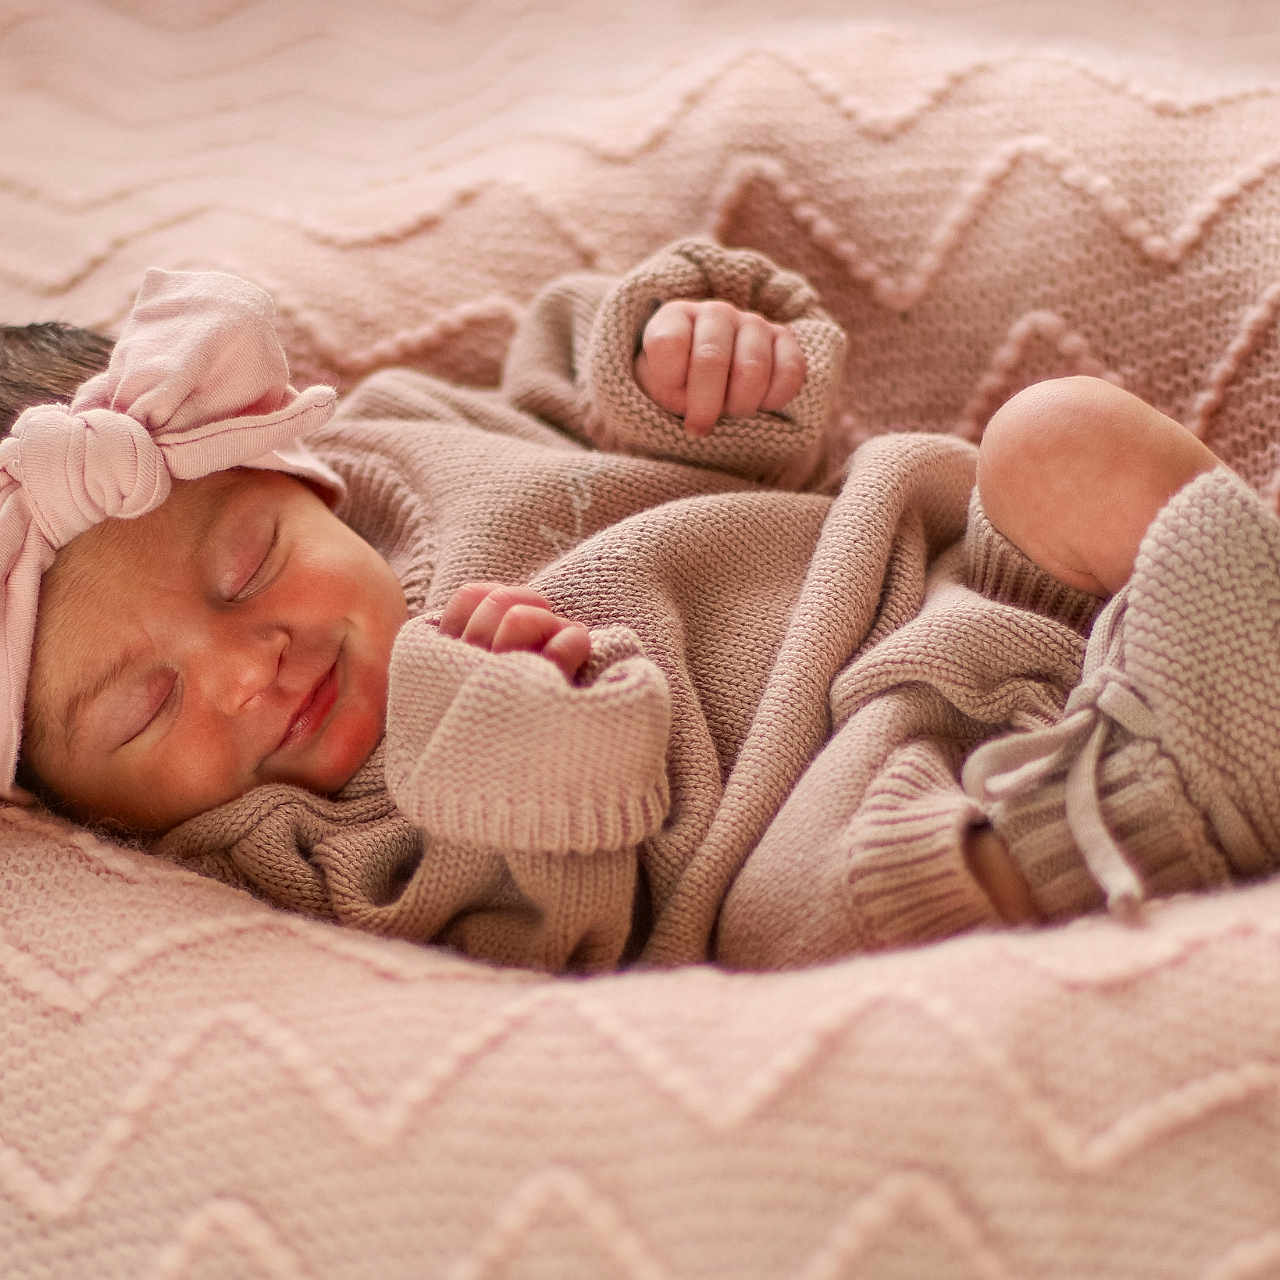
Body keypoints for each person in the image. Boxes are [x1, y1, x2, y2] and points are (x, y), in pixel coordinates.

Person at [2, 239, 1277, 972]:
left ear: (287, 468)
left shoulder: (400, 444)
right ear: (75, 802)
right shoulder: (283, 856)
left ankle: (1231, 642)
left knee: (1056, 439)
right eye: (147, 703)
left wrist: (683, 367)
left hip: (945, 583)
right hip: (841, 800)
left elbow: (583, 393)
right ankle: (1181, 766)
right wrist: (524, 728)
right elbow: (541, 935)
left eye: (248, 565)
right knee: (805, 920)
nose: (249, 664)